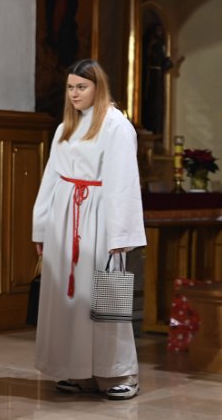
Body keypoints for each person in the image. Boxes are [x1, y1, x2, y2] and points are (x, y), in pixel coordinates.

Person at [32, 59, 146, 400]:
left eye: (81, 87)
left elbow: (124, 183)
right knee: (70, 301)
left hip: (100, 218)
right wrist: (41, 227)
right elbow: (51, 177)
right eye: (70, 87)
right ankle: (78, 371)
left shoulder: (115, 126)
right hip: (64, 219)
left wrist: (120, 235)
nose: (74, 93)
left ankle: (119, 373)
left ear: (98, 87)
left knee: (106, 301)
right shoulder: (66, 128)